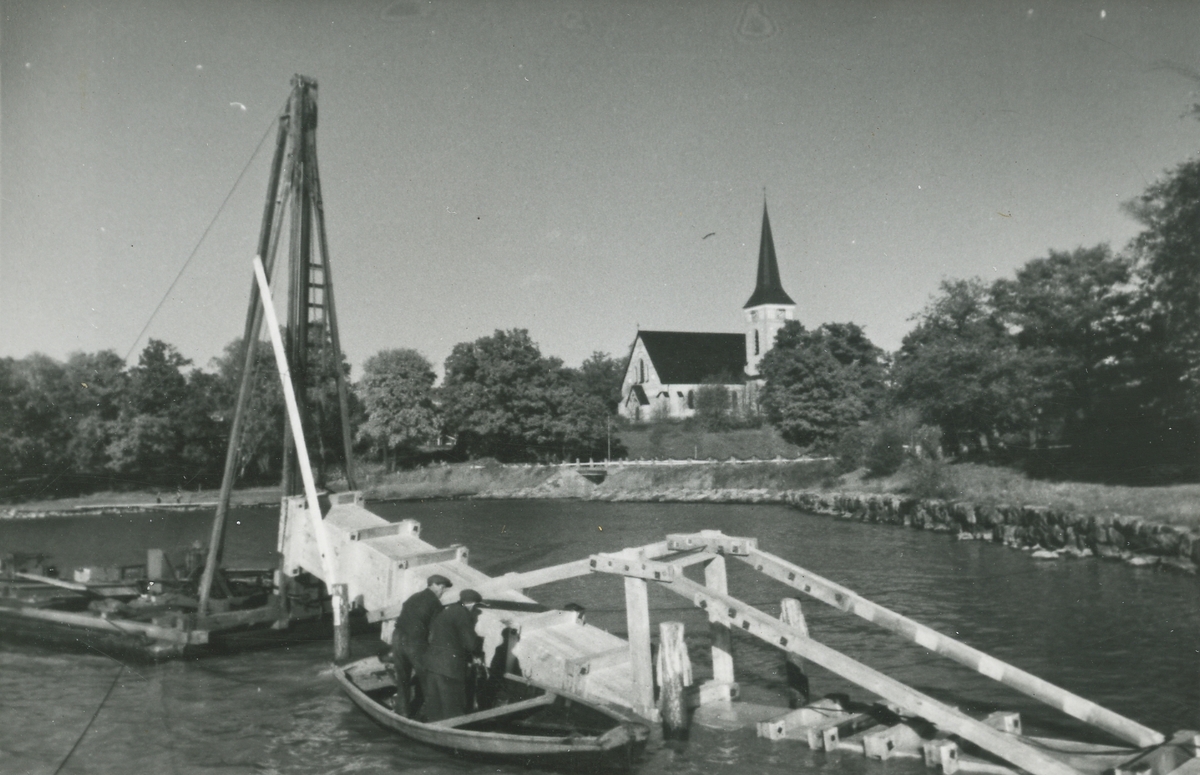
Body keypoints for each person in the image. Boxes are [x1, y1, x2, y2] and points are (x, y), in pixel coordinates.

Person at [391, 574, 451, 718]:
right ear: (435, 585)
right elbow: (434, 632)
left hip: (397, 637)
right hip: (414, 642)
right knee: (428, 678)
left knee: (403, 678)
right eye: (442, 588)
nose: (442, 592)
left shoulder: (413, 597)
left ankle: (402, 712)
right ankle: (432, 716)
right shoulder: (435, 604)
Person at [423, 588, 485, 722]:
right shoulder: (463, 615)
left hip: (432, 666)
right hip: (450, 669)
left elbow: (432, 636)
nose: (476, 615)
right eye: (476, 610)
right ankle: (455, 738)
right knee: (453, 710)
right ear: (472, 605)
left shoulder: (446, 612)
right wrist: (479, 645)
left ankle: (433, 736)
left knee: (435, 709)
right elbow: (471, 644)